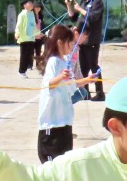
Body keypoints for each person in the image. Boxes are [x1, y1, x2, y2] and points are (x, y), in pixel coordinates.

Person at [37, 24, 97, 162]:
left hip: (65, 123)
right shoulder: (53, 61)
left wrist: (87, 80)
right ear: (60, 43)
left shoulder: (63, 62)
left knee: (64, 163)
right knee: (51, 166)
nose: (72, 45)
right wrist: (61, 77)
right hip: (52, 125)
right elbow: (48, 84)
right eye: (70, 43)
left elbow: (72, 85)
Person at [66, 0, 106, 101]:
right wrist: (70, 5)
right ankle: (85, 92)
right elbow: (73, 18)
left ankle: (100, 93)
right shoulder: (84, 2)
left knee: (93, 65)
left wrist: (80, 9)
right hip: (81, 41)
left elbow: (93, 17)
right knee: (82, 67)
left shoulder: (97, 1)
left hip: (91, 40)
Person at [15, 0, 38, 77]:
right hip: (24, 38)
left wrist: (38, 33)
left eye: (32, 3)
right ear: (24, 5)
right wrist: (17, 33)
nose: (31, 4)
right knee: (24, 55)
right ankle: (21, 71)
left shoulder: (32, 14)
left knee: (29, 54)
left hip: (31, 38)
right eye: (29, 3)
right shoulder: (22, 14)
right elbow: (19, 25)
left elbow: (33, 26)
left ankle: (25, 70)